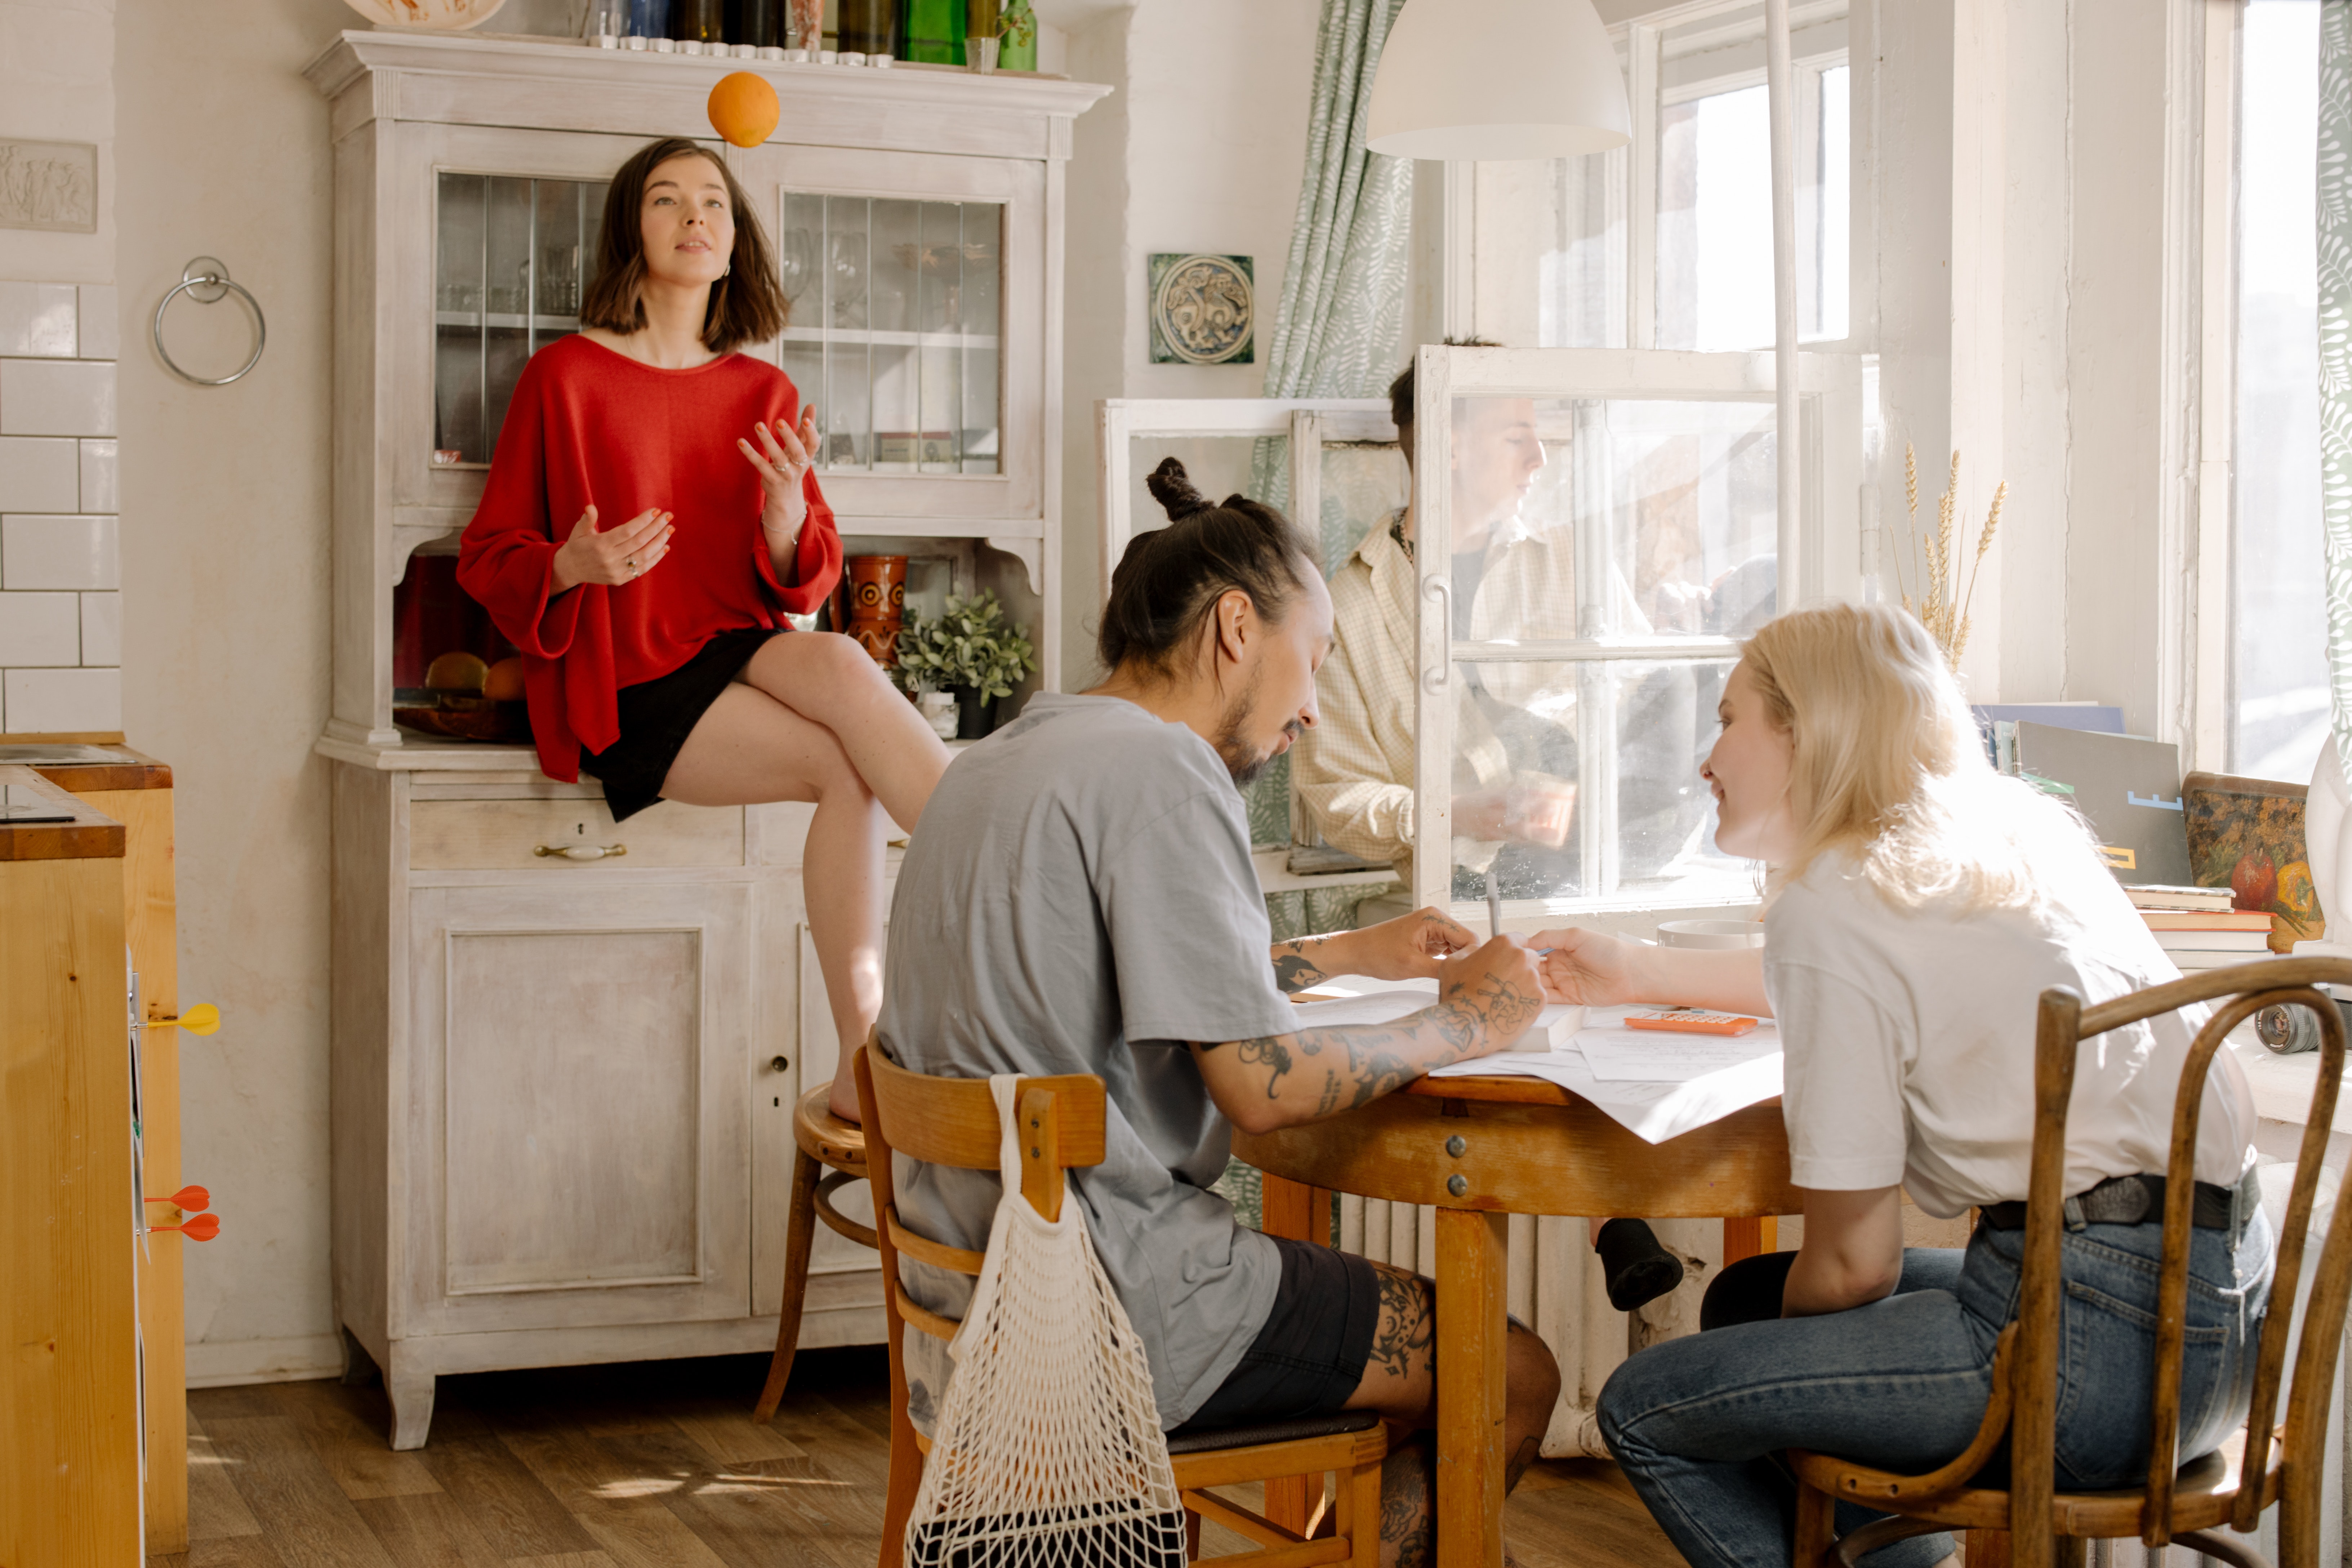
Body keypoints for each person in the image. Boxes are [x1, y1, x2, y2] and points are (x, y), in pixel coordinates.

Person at [877, 457, 1563, 1568]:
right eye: (1318, 658)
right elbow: (1263, 1088)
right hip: (1120, 1308)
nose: (1314, 707)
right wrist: (1472, 1023)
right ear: (1237, 629)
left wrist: (1340, 954)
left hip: (974, 1298)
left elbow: (1096, 985)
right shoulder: (1163, 771)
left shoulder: (1002, 758)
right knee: (1515, 1373)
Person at [1529, 603, 2267, 1568]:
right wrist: (1640, 968)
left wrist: (1791, 1386)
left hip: (2078, 1365)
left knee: (1648, 1403)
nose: (1705, 755)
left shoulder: (1835, 905)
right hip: (2212, 1342)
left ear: (1807, 730)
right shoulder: (2014, 836)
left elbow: (1855, 1267)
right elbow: (1880, 973)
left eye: (1727, 718)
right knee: (1747, 1301)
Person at [458, 137, 951, 1114]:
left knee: (847, 663)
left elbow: (805, 576)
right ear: (631, 232)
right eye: (668, 200)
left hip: (735, 642)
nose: (695, 216)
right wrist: (571, 564)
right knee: (847, 771)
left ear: (735, 242)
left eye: (714, 204)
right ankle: (917, 1014)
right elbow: (487, 557)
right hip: (628, 677)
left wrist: (779, 515)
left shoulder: (761, 393)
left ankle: (982, 895)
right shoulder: (563, 380)